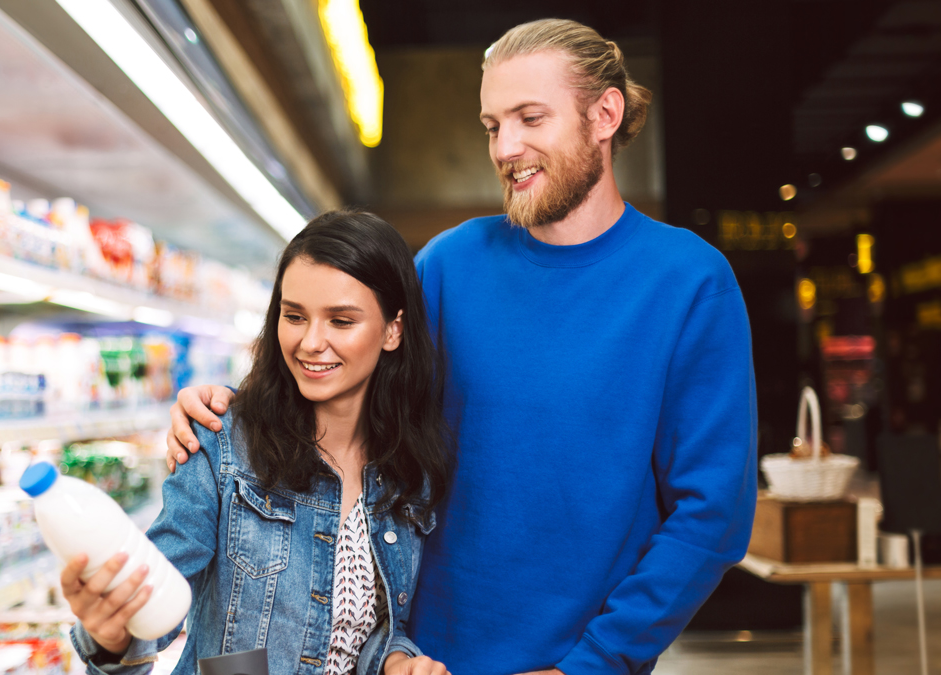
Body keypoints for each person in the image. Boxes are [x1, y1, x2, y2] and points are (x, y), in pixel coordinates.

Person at [166, 18, 758, 675]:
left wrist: (593, 663)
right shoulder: (448, 265)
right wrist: (231, 413)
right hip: (417, 661)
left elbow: (712, 516)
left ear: (605, 114)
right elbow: (348, 397)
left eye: (530, 118)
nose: (507, 147)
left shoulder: (690, 284)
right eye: (491, 125)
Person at [64, 210, 454, 675]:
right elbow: (156, 598)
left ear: (393, 329)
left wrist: (395, 660)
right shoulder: (222, 445)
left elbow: (369, 628)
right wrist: (113, 637)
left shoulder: (408, 472)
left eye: (341, 321)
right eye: (294, 316)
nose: (311, 341)